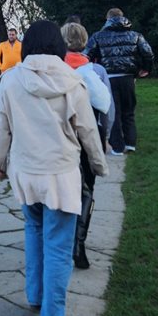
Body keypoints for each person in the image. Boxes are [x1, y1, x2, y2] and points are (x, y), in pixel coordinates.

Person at [0, 20, 108, 316]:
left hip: (26, 173)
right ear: (57, 46)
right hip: (61, 176)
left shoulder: (9, 81)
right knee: (58, 244)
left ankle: (35, 295)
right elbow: (87, 131)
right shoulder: (73, 82)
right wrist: (99, 165)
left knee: (33, 229)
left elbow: (1, 127)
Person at [61, 22, 113, 269]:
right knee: (87, 189)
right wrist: (106, 135)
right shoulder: (97, 71)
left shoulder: (58, 68)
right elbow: (108, 109)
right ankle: (79, 243)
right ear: (85, 41)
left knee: (65, 186)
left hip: (64, 134)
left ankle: (62, 236)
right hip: (90, 132)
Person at [84, 8, 154, 155]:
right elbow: (148, 53)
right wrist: (145, 69)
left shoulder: (98, 36)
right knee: (128, 110)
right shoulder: (136, 35)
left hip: (109, 77)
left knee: (113, 112)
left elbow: (87, 55)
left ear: (108, 19)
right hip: (128, 77)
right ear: (123, 18)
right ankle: (130, 143)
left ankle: (117, 147)